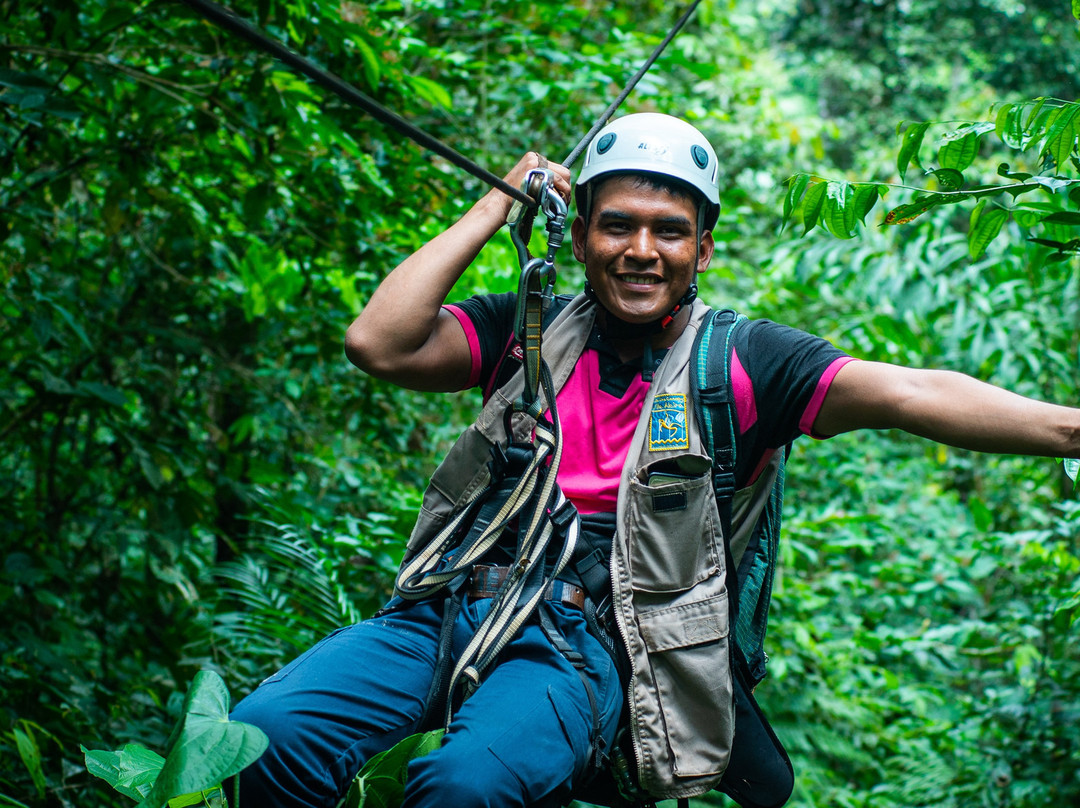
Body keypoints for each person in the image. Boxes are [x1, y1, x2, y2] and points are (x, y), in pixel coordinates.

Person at [230, 113, 1080, 808]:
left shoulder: (744, 364)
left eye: (670, 232)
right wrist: (494, 207)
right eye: (618, 226)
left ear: (702, 251)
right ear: (583, 238)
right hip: (447, 608)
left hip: (588, 645)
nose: (643, 249)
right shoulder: (525, 331)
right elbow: (378, 344)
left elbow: (909, 393)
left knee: (463, 787)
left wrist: (1069, 429)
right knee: (265, 737)